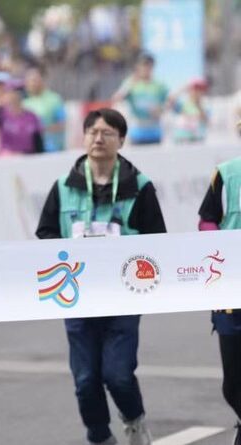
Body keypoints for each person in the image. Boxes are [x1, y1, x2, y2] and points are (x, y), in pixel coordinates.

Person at [36, 108, 166, 445]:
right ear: (83, 138)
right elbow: (46, 233)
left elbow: (158, 240)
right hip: (78, 295)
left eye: (107, 133)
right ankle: (98, 435)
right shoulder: (64, 187)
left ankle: (135, 421)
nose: (98, 138)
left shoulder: (140, 187)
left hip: (123, 295)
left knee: (118, 375)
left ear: (121, 141)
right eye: (92, 132)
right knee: (85, 379)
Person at [197, 140, 241, 445]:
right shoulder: (227, 173)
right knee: (233, 384)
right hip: (233, 292)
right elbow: (207, 220)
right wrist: (223, 247)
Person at [111, 53, 168, 145]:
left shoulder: (159, 85)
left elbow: (170, 102)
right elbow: (116, 99)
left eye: (149, 65)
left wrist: (161, 109)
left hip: (155, 132)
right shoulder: (130, 83)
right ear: (138, 66)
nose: (146, 68)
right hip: (137, 132)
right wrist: (129, 84)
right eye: (143, 65)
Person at [0, 78, 44, 155]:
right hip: (7, 156)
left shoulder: (31, 116)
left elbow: (38, 141)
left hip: (28, 156)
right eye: (11, 91)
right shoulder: (0, 114)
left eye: (19, 91)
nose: (15, 95)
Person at [23, 65, 66, 152]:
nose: (31, 84)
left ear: (42, 80)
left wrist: (42, 130)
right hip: (31, 151)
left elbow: (62, 124)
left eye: (34, 80)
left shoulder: (54, 99)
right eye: (28, 81)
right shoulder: (24, 103)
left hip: (52, 150)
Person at [168, 78, 209, 143]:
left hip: (197, 141)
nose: (197, 92)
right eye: (195, 89)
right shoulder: (183, 104)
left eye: (200, 89)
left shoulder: (205, 105)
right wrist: (183, 89)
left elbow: (206, 121)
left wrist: (199, 106)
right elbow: (171, 100)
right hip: (181, 140)